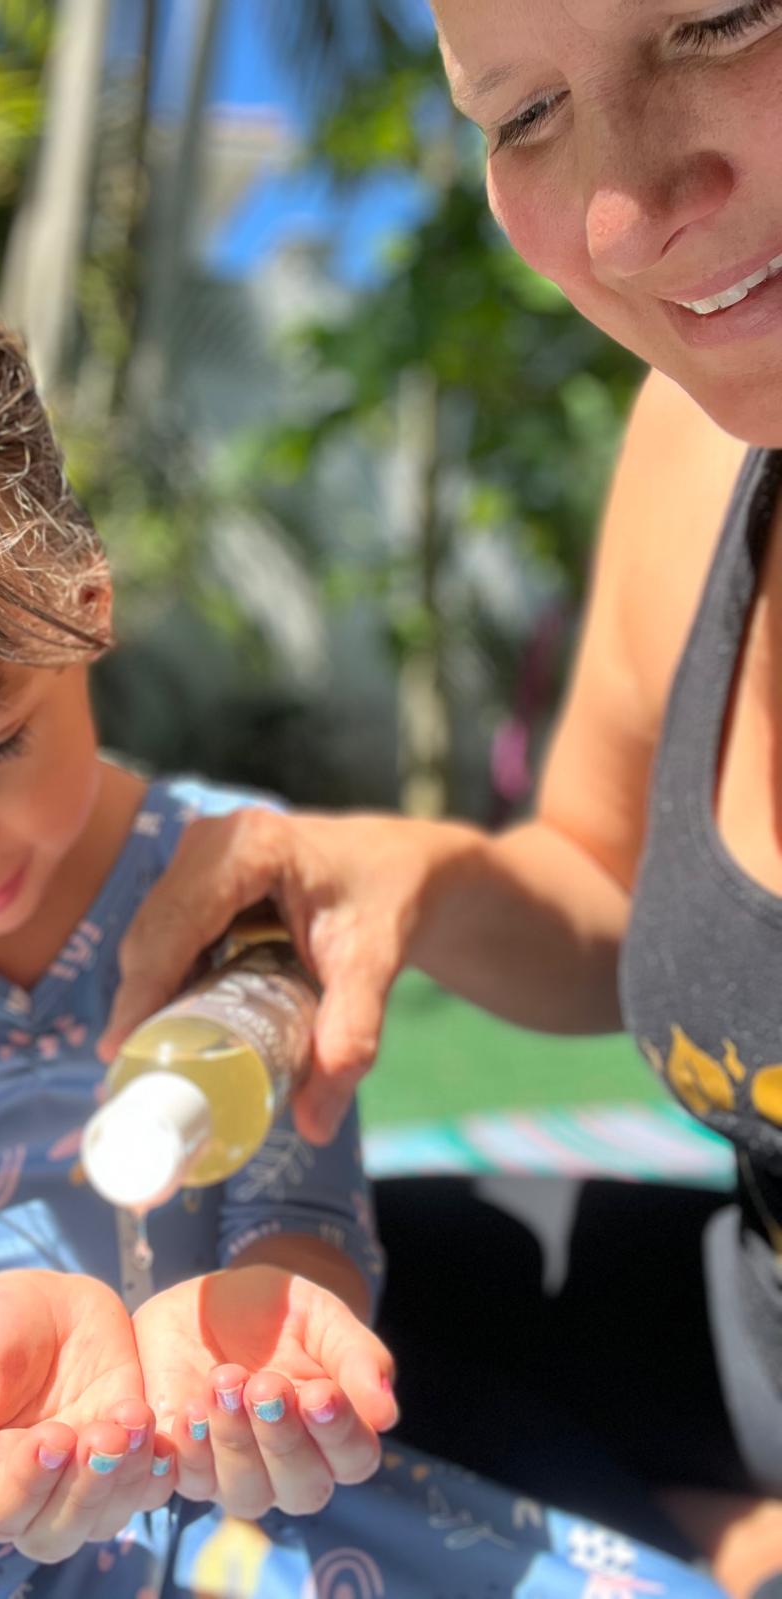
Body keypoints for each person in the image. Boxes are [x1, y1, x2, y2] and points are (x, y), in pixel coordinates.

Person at [0, 259, 721, 1599]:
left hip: (232, 1482)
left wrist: (269, 1338)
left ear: (84, 595)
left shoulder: (225, 871)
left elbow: (303, 1217)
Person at [95, 4, 782, 1597]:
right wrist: (405, 875)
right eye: (523, 114)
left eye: (722, 20)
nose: (626, 213)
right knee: (286, 1324)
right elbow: (620, 893)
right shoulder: (699, 453)